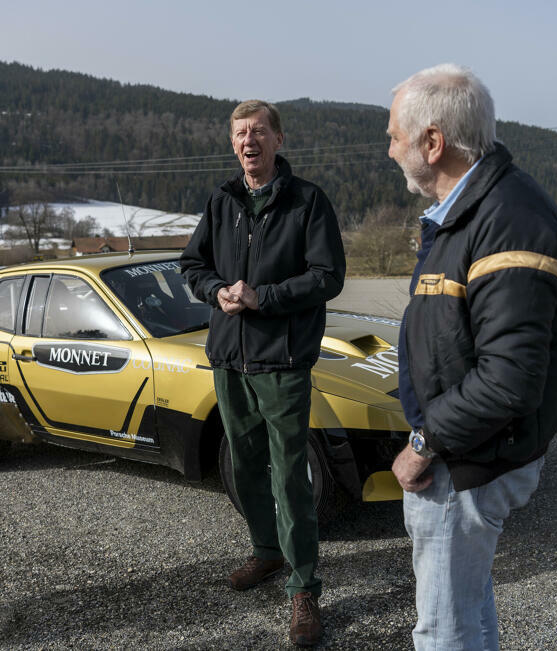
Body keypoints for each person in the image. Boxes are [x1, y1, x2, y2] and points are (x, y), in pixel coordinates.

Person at [387, 64, 557, 650]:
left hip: (464, 461)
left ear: (433, 141)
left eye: (394, 134)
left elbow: (509, 380)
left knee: (443, 629)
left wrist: (424, 444)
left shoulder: (507, 219)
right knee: (467, 608)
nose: (389, 147)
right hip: (465, 450)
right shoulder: (470, 212)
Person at [180, 99, 345, 647]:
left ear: (279, 140)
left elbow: (328, 276)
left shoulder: (307, 202)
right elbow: (192, 266)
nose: (247, 141)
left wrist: (264, 297)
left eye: (257, 132)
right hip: (229, 357)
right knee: (245, 467)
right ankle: (267, 553)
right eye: (238, 134)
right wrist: (216, 291)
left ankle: (303, 588)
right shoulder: (222, 200)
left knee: (288, 474)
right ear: (232, 144)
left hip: (282, 360)